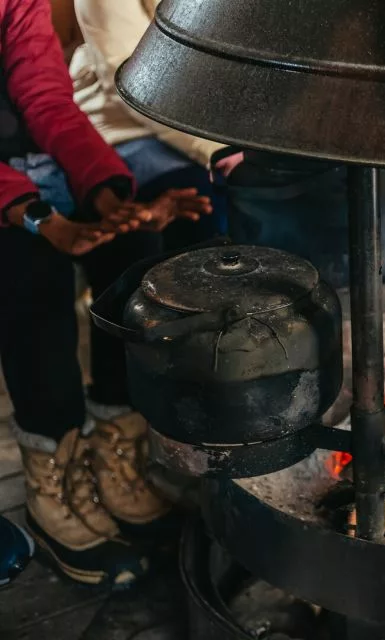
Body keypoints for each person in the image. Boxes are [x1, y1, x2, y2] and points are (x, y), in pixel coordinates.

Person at [0, 0, 209, 588]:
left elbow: (46, 98)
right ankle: (52, 481)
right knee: (31, 276)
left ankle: (116, 448)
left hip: (29, 172)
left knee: (131, 250)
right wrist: (37, 217)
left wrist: (107, 194)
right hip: (8, 195)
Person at [71, 0, 239, 249]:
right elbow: (134, 80)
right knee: (209, 205)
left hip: (218, 125)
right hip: (128, 127)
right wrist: (218, 149)